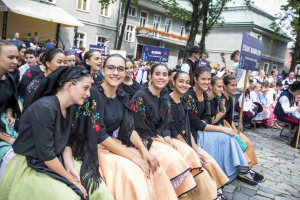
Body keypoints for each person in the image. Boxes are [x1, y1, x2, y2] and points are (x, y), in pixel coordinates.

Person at [0, 66, 115, 200]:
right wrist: (72, 181)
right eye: (85, 88)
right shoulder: (45, 108)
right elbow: (46, 154)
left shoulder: (70, 108)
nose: (89, 94)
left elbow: (66, 142)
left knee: (99, 189)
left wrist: (70, 167)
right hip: (32, 163)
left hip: (56, 160)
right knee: (68, 196)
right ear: (70, 86)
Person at [76, 54, 177, 200]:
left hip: (109, 144)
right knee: (132, 168)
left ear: (125, 73)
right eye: (111, 68)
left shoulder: (122, 96)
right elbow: (99, 134)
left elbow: (129, 128)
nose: (116, 72)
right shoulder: (93, 94)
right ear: (103, 71)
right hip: (90, 146)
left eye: (120, 69)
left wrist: (144, 152)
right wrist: (133, 157)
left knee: (154, 166)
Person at [132, 64, 204, 198]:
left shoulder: (164, 97)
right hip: (143, 138)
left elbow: (166, 124)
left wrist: (168, 139)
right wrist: (162, 141)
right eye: (157, 74)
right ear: (150, 77)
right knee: (174, 158)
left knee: (183, 152)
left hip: (158, 137)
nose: (161, 77)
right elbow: (139, 126)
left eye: (164, 74)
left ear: (168, 78)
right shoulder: (140, 96)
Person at [182, 67, 257, 185]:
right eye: (203, 79)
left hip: (203, 130)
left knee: (229, 137)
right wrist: (221, 128)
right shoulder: (189, 97)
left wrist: (205, 123)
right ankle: (235, 169)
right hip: (192, 133)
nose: (206, 82)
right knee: (226, 136)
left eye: (208, 79)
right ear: (195, 79)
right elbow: (197, 124)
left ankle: (240, 168)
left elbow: (206, 118)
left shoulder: (205, 96)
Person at [168, 71, 230, 200]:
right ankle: (209, 195)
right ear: (173, 82)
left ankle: (217, 189)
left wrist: (195, 148)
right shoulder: (168, 101)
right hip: (172, 139)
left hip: (187, 136)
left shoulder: (183, 102)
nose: (184, 85)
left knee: (208, 160)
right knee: (197, 164)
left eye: (186, 82)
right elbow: (175, 130)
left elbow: (190, 126)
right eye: (181, 81)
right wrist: (192, 149)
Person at [0, 40, 21, 179]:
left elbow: (10, 102)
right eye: (10, 57)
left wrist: (9, 116)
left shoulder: (9, 78)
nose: (15, 61)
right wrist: (10, 140)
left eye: (17, 58)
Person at [274, 81, 300, 148]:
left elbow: (293, 108)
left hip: (287, 115)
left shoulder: (292, 96)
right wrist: (297, 108)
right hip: (282, 116)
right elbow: (286, 110)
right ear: (297, 90)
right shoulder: (285, 96)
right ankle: (295, 142)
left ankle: (297, 140)